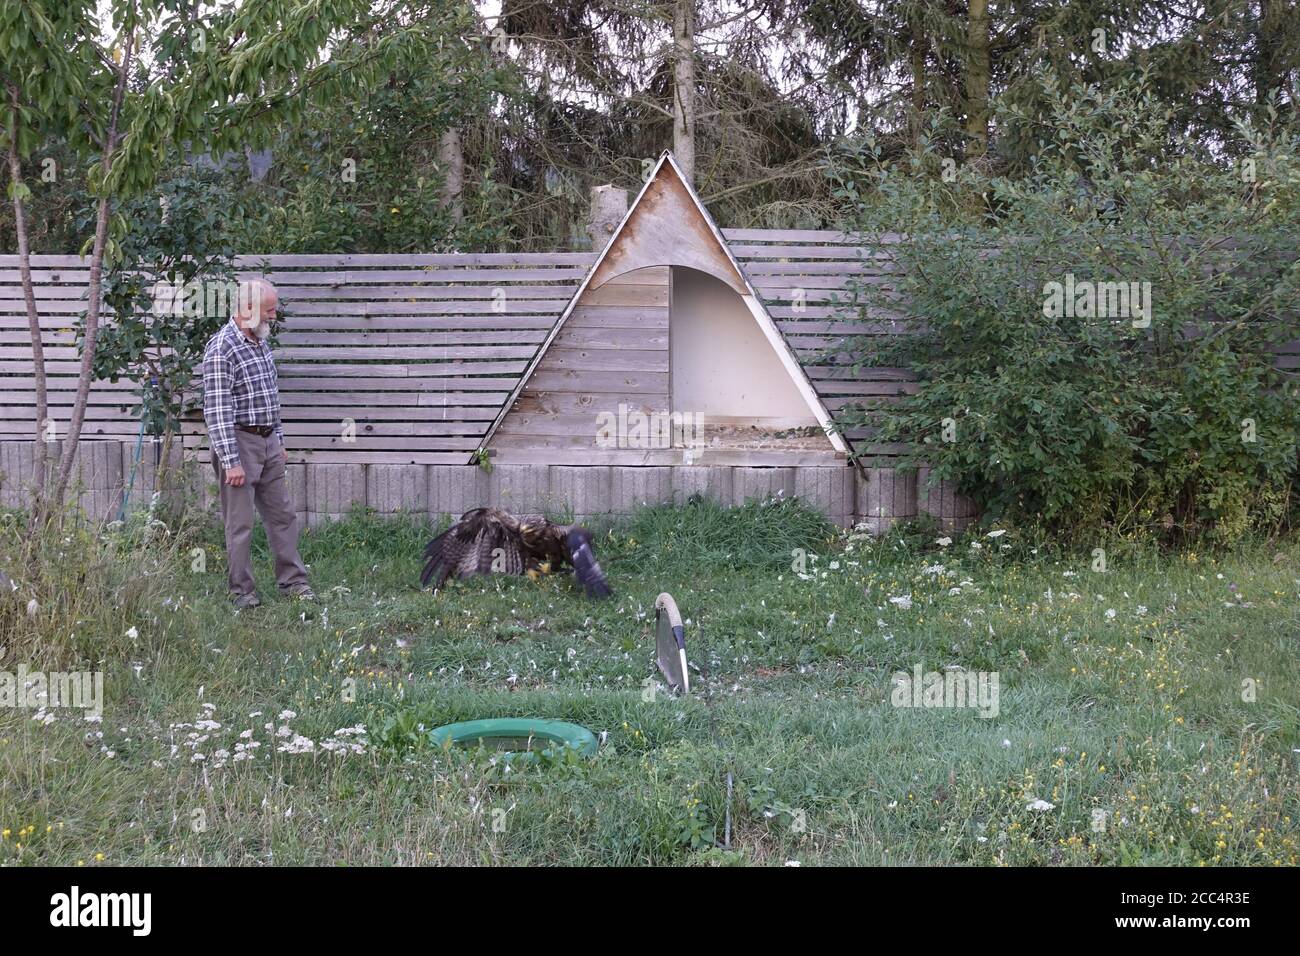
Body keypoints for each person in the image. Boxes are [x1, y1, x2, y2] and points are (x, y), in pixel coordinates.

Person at [201, 278, 314, 608]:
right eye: (268, 311)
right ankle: (243, 592)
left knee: (283, 516)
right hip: (239, 444)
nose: (273, 317)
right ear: (246, 309)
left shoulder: (260, 342)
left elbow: (270, 397)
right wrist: (230, 460)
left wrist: (278, 440)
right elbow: (218, 409)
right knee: (240, 524)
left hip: (268, 444)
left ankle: (294, 583)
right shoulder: (222, 348)